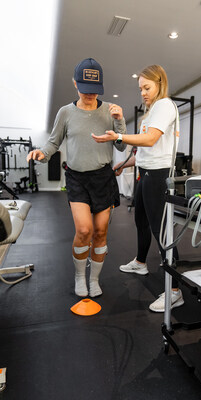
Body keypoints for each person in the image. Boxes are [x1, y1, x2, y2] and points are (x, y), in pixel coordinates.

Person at [27, 57, 126, 298]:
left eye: (94, 91)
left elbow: (121, 147)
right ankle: (80, 276)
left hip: (103, 177)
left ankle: (94, 279)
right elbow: (53, 142)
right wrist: (42, 153)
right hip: (77, 178)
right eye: (85, 90)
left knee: (101, 232)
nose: (90, 95)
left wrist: (120, 121)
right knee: (84, 230)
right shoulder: (66, 112)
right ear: (75, 84)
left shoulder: (110, 111)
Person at [92, 64, 184, 312]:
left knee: (161, 230)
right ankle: (141, 262)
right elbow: (144, 150)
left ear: (159, 84)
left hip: (159, 175)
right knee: (141, 221)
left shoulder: (164, 105)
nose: (142, 92)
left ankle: (174, 291)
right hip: (146, 172)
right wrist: (123, 163)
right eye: (140, 88)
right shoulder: (152, 110)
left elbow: (151, 139)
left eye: (147, 87)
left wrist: (118, 137)